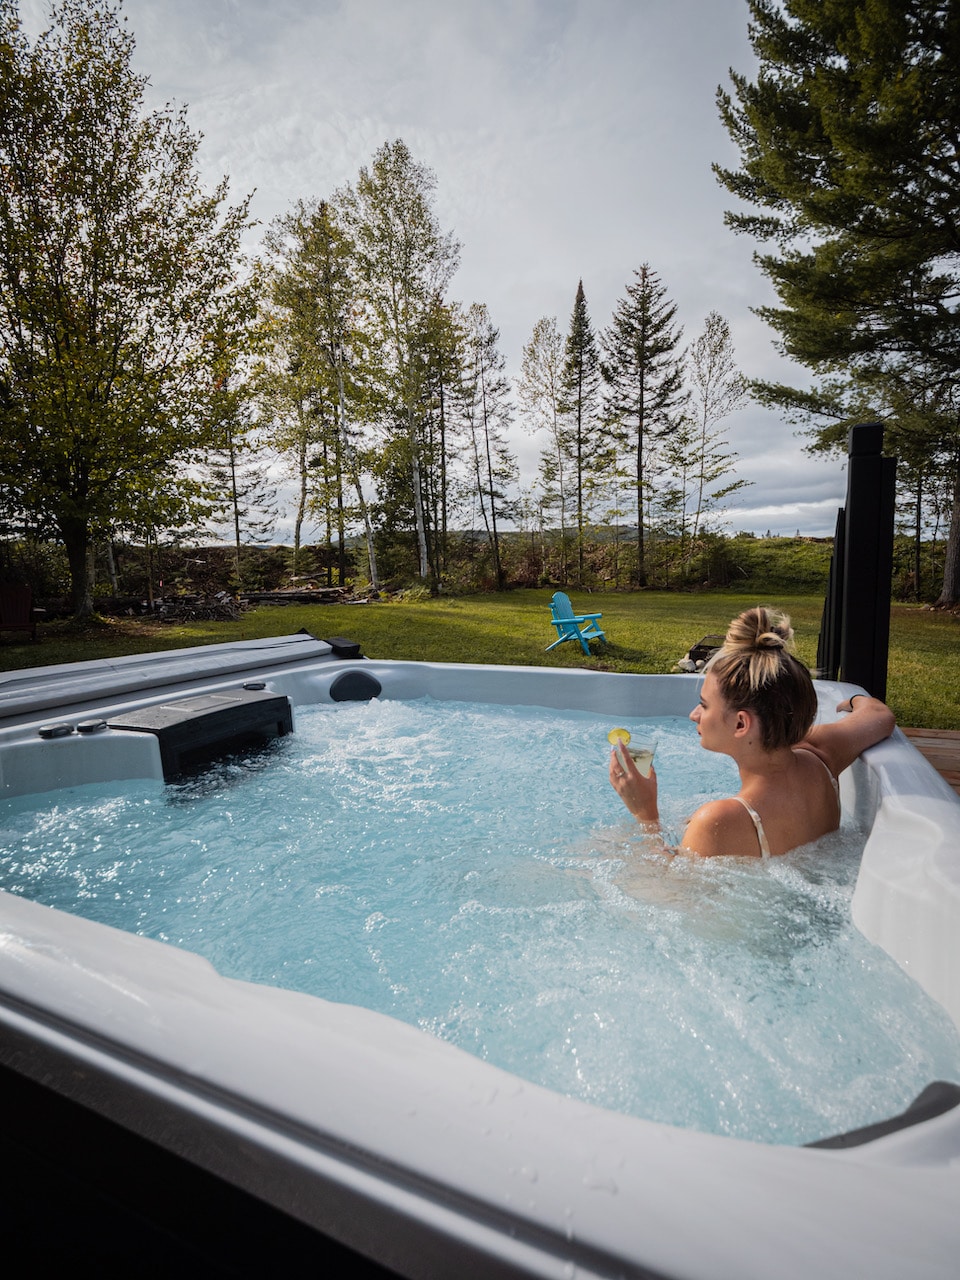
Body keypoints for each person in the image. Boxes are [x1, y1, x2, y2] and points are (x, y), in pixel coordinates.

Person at [609, 606, 895, 858]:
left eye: (704, 705)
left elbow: (670, 898)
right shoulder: (821, 754)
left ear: (741, 724)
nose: (693, 715)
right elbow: (880, 716)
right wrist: (857, 700)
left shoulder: (718, 821)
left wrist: (645, 815)